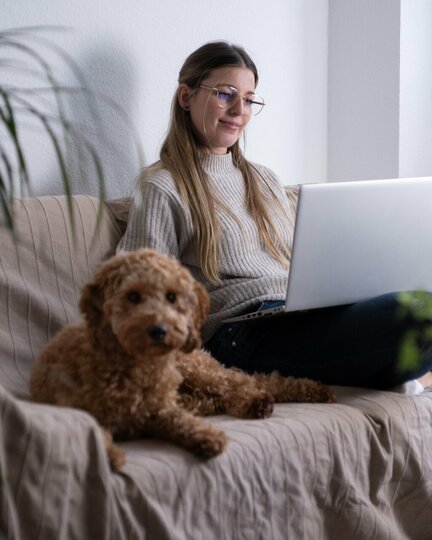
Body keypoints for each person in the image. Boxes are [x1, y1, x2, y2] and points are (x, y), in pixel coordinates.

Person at [117, 40, 432, 391]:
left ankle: (391, 373)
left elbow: (303, 267)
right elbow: (136, 283)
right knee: (420, 312)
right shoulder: (163, 185)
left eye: (249, 99)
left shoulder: (264, 179)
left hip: (297, 316)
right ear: (186, 97)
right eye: (226, 94)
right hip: (237, 334)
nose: (240, 109)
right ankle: (402, 376)